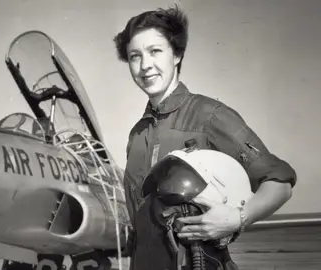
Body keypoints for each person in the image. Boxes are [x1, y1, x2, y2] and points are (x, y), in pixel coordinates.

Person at [113, 4, 297, 270]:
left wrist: (237, 218)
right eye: (134, 56)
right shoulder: (137, 133)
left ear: (176, 54)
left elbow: (279, 183)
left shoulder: (210, 115)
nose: (145, 66)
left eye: (155, 51)